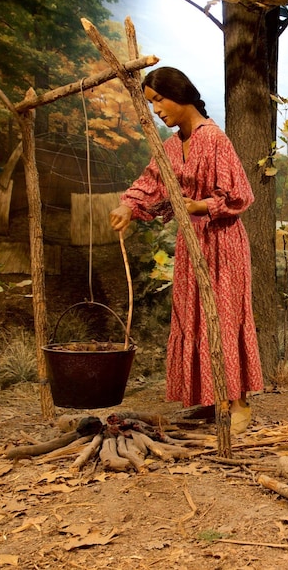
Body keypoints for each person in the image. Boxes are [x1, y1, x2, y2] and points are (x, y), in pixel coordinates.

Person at [109, 66, 262, 434]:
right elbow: (153, 182)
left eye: (159, 100)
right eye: (151, 103)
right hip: (192, 242)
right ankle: (213, 399)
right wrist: (129, 206)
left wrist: (201, 206)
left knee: (223, 317)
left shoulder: (215, 140)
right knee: (195, 315)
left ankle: (238, 402)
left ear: (181, 94)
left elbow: (240, 194)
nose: (157, 110)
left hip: (221, 241)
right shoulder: (171, 146)